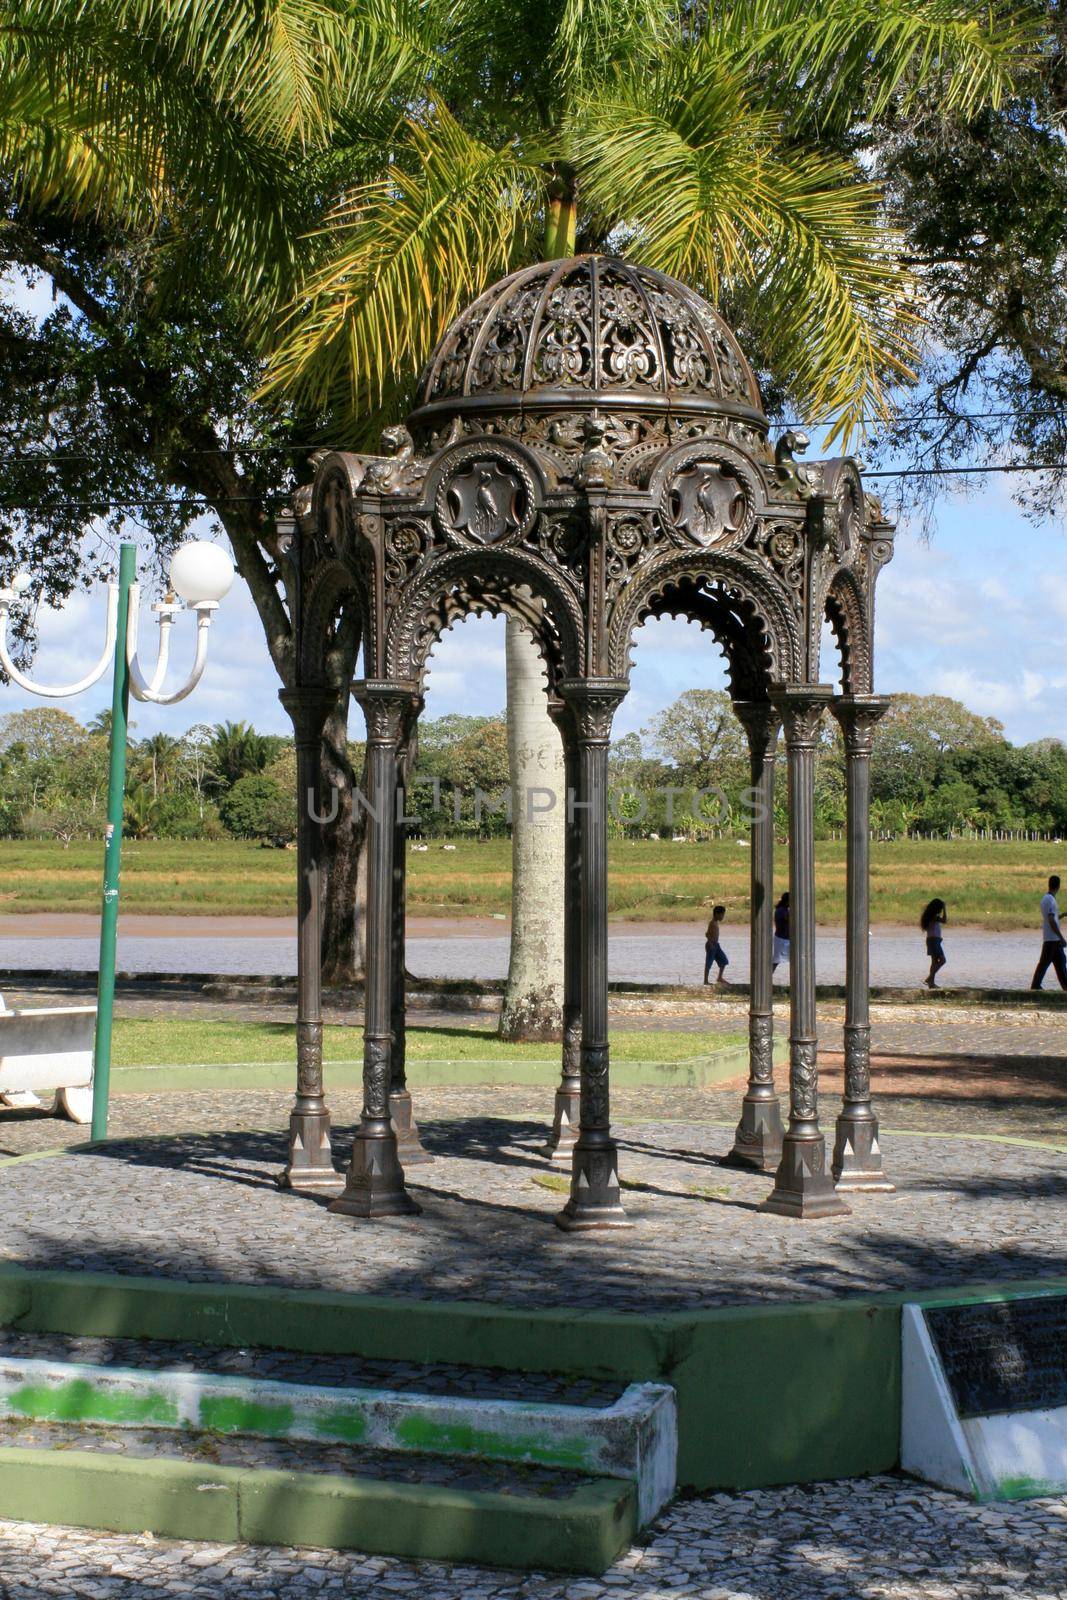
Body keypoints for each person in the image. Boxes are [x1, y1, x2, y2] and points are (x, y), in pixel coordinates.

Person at [1031, 875, 1067, 991]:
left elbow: (1051, 918)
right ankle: (1035, 987)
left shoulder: (1045, 898)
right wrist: (1061, 937)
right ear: (1058, 886)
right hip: (1053, 939)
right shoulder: (1051, 900)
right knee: (1046, 964)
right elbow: (1051, 920)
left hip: (1050, 939)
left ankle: (1065, 988)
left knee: (1060, 963)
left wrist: (1062, 915)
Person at [920, 898, 948, 989]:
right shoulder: (933, 917)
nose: (940, 910)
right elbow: (944, 920)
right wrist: (944, 908)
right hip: (934, 941)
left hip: (932, 940)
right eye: (940, 908)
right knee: (943, 960)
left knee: (934, 962)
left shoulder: (930, 915)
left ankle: (931, 983)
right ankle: (929, 978)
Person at [704, 905, 730, 985]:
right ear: (716, 914)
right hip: (711, 945)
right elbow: (707, 934)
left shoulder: (716, 923)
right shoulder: (712, 923)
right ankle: (705, 981)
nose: (723, 917)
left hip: (716, 945)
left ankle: (719, 977)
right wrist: (711, 943)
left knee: (724, 960)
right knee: (709, 962)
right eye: (722, 915)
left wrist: (714, 944)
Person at [772, 892, 790, 973]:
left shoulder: (785, 909)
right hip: (781, 939)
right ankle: (768, 976)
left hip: (787, 938)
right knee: (776, 960)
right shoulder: (781, 910)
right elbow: (788, 918)